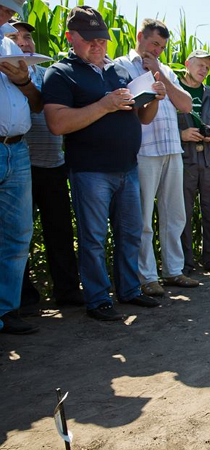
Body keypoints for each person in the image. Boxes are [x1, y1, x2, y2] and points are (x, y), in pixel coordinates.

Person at [43, 5, 166, 321]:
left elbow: (143, 117)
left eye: (102, 39)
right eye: (90, 40)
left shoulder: (119, 71)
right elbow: (57, 123)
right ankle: (98, 300)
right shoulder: (60, 73)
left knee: (129, 234)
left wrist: (154, 98)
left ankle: (129, 291)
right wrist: (104, 105)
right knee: (94, 238)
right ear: (71, 38)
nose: (98, 46)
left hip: (127, 168)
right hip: (90, 171)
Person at [115, 19, 199, 295]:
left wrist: (159, 74)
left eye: (162, 47)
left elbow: (185, 104)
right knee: (143, 218)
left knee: (175, 215)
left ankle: (173, 271)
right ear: (140, 37)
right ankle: (147, 277)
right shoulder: (121, 66)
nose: (158, 50)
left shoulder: (165, 70)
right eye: (154, 44)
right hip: (142, 151)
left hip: (172, 148)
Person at [5, 18, 83, 316]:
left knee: (60, 231)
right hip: (21, 162)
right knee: (17, 235)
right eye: (16, 36)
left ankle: (67, 291)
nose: (25, 41)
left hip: (53, 164)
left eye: (28, 36)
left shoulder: (45, 74)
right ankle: (23, 299)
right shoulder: (5, 74)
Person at [0, 0, 42, 334]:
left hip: (18, 150)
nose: (7, 17)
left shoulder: (8, 43)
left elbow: (37, 103)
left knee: (18, 234)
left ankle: (7, 310)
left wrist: (24, 81)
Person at [177, 50, 210, 274]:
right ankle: (185, 263)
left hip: (209, 161)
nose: (203, 70)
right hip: (184, 160)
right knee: (183, 214)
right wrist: (182, 134)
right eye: (199, 65)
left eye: (207, 68)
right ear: (188, 64)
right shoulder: (174, 90)